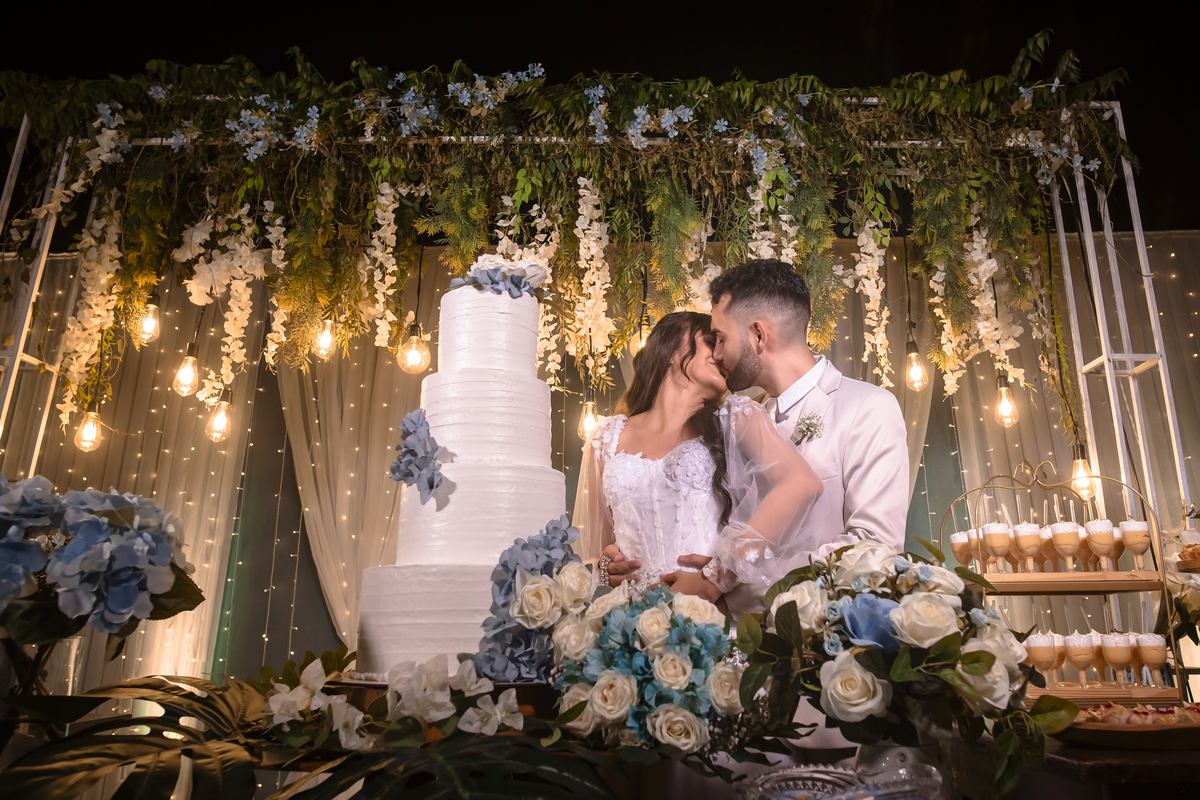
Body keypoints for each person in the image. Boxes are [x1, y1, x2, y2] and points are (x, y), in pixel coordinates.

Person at [573, 312, 823, 597]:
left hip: (703, 611)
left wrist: (718, 577)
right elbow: (595, 556)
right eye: (710, 342)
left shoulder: (736, 417)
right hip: (627, 615)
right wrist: (605, 567)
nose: (720, 354)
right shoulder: (605, 437)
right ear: (670, 349)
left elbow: (802, 483)